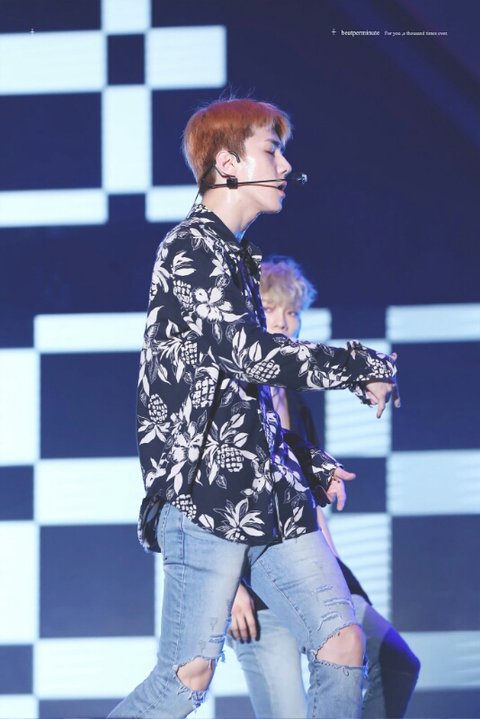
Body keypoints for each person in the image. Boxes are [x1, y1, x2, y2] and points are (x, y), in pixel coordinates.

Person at [107, 97, 399, 719]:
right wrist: (359, 365)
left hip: (268, 497)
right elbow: (250, 358)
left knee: (343, 643)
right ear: (227, 163)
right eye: (271, 150)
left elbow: (238, 403)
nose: (286, 166)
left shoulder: (237, 259)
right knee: (185, 677)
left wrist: (306, 461)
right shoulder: (191, 249)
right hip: (206, 500)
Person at [227, 257, 420, 719]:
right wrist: (227, 589)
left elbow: (308, 506)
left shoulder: (294, 401)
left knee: (396, 662)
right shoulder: (226, 394)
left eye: (292, 312)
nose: (283, 322)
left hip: (312, 569)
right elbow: (207, 500)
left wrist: (340, 577)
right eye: (270, 308)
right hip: (254, 588)